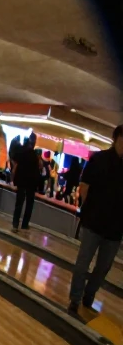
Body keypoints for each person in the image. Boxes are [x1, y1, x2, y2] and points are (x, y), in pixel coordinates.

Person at [68, 124, 123, 316]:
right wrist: (87, 209)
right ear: (115, 139)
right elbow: (84, 186)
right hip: (93, 222)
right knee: (82, 264)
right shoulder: (99, 159)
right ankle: (75, 299)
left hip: (115, 229)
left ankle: (89, 295)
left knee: (103, 269)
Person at [9, 133, 40, 232]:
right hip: (30, 183)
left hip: (21, 181)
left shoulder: (22, 151)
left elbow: (14, 160)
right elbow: (36, 172)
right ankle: (24, 224)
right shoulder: (34, 156)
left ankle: (15, 224)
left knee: (19, 203)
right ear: (34, 142)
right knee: (29, 204)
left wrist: (14, 179)